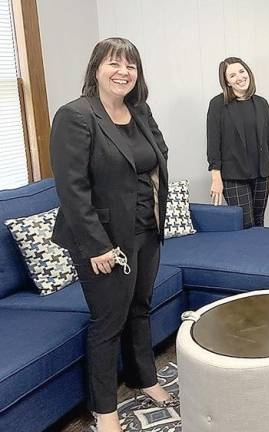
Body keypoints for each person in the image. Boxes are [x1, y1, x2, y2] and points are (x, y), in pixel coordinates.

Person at [49, 37, 178, 432]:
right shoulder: (75, 116)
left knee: (140, 307)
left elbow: (159, 154)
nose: (123, 72)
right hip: (105, 240)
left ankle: (145, 378)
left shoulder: (139, 110)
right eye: (114, 63)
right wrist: (97, 245)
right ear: (96, 68)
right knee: (108, 322)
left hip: (146, 229)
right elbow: (72, 189)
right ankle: (103, 409)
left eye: (131, 66)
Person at [207, 57, 269, 228]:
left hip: (262, 173)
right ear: (226, 81)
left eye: (241, 71)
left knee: (259, 221)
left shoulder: (261, 103)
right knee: (246, 224)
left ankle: (262, 255)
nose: (239, 77)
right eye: (232, 75)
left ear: (248, 72)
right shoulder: (218, 104)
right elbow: (213, 144)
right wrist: (216, 178)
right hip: (233, 176)